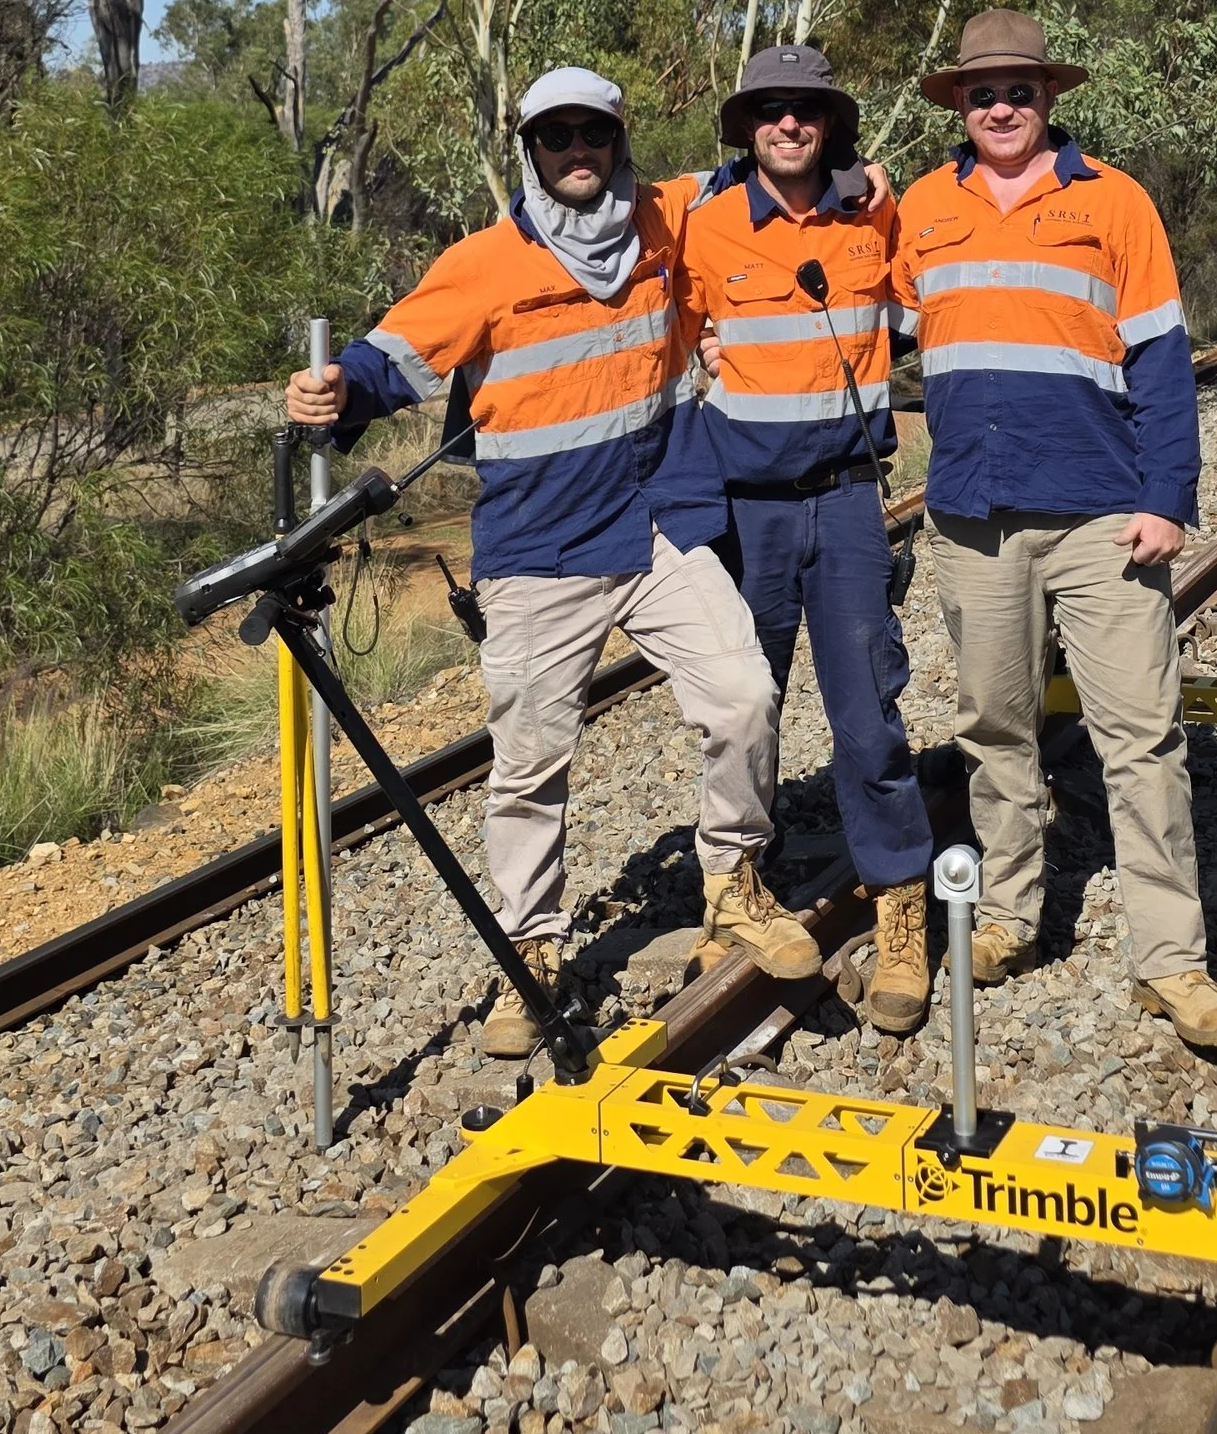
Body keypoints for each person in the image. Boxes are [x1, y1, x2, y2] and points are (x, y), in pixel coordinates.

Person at [282, 65, 818, 1059]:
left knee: (744, 692)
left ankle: (735, 885)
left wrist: (854, 180)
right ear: (528, 150)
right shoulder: (483, 265)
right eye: (555, 138)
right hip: (539, 550)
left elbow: (766, 181)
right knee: (530, 762)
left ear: (619, 140)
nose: (577, 153)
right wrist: (331, 393)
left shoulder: (666, 219)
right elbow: (387, 362)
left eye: (593, 135)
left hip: (657, 521)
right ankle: (530, 949)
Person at [889, 10, 1217, 1056]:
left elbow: (1161, 361)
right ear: (958, 103)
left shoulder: (1113, 200)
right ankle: (1006, 918)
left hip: (1100, 510)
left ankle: (1170, 961)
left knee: (1139, 737)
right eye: (980, 92)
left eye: (1018, 90)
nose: (999, 107)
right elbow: (880, 323)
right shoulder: (923, 206)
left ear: (1050, 98)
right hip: (970, 513)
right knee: (995, 732)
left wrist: (1166, 497)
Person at [675, 44, 935, 1037]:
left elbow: (923, 303)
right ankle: (735, 896)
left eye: (806, 110)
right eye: (768, 111)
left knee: (868, 718)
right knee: (747, 712)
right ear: (746, 126)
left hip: (844, 502)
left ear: (832, 122)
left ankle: (900, 910)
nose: (788, 125)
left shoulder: (875, 212)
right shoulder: (701, 221)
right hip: (745, 508)